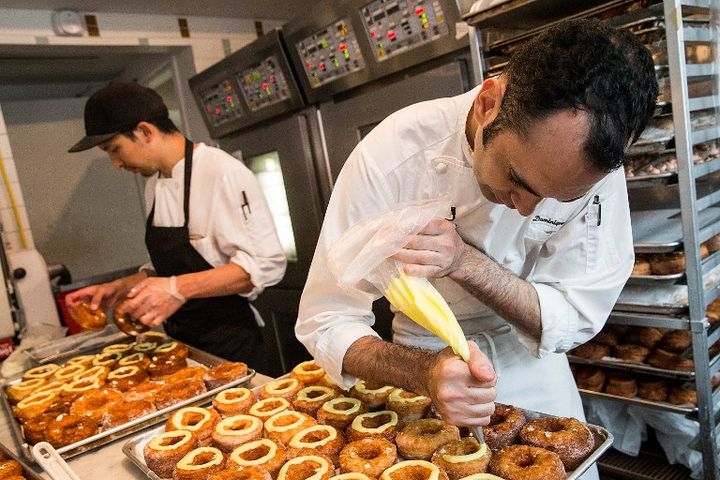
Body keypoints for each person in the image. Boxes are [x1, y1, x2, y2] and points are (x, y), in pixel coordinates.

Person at [297, 16, 655, 452]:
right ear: (489, 104)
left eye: (556, 199)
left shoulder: (593, 167)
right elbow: (326, 318)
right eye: (517, 179)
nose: (527, 208)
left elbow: (575, 314)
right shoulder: (392, 154)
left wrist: (466, 263)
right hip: (421, 357)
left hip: (532, 366)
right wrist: (422, 372)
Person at [66, 82, 287, 367]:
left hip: (231, 345)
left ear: (145, 131)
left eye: (115, 149)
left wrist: (177, 288)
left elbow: (265, 265)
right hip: (181, 342)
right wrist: (119, 288)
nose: (115, 164)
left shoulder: (222, 173)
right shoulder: (154, 185)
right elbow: (173, 266)